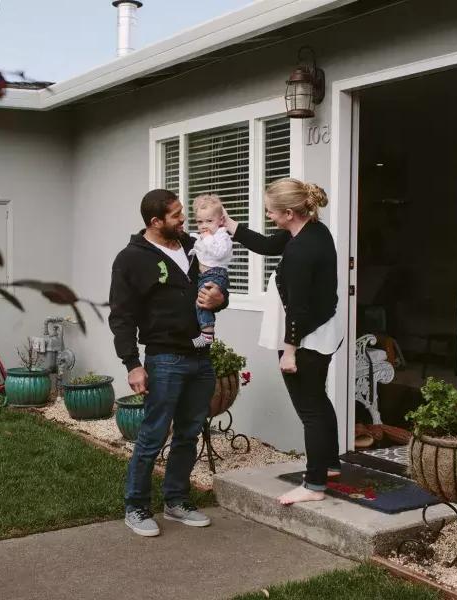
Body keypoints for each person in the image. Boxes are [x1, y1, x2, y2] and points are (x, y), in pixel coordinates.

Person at [109, 188, 228, 536]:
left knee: (189, 434)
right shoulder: (131, 258)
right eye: (176, 215)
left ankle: (175, 501)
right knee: (152, 435)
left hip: (201, 358)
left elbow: (217, 281)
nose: (184, 220)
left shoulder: (194, 246)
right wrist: (132, 363)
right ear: (155, 221)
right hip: (164, 359)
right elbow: (121, 316)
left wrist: (220, 297)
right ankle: (136, 507)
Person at [224, 178, 341, 505]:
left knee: (310, 410)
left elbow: (299, 308)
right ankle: (329, 464)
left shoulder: (303, 250)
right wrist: (228, 224)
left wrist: (289, 351)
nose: (269, 216)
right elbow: (267, 245)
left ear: (289, 212)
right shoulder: (311, 230)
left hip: (307, 338)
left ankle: (314, 485)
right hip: (321, 330)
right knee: (318, 400)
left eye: (271, 212)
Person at [189, 194, 233, 348]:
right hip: (205, 275)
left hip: (216, 274)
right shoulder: (205, 236)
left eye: (209, 221)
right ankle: (206, 332)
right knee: (200, 303)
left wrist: (206, 238)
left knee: (202, 302)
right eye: (200, 222)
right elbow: (202, 251)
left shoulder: (222, 236)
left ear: (220, 221)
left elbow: (219, 252)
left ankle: (207, 335)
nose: (203, 226)